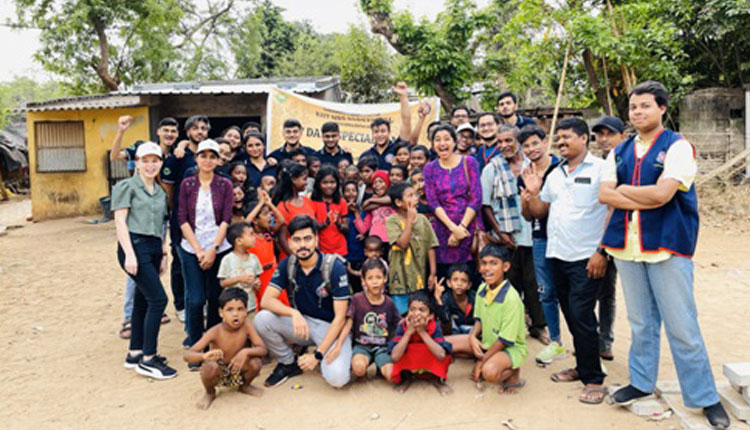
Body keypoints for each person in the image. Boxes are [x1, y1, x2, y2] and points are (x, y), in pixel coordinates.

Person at [599, 81, 729, 428]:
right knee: (641, 322)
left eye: (645, 105)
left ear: (662, 108)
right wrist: (639, 195)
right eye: (633, 107)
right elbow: (604, 195)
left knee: (681, 325)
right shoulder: (620, 150)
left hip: (667, 246)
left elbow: (663, 195)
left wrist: (624, 191)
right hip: (628, 247)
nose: (638, 112)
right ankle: (641, 382)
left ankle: (705, 396)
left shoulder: (678, 147)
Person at [523, 117, 609, 404]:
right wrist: (533, 193)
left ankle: (594, 379)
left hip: (587, 257)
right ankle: (583, 366)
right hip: (557, 255)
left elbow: (612, 212)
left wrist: (602, 252)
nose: (561, 142)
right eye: (558, 138)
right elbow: (540, 212)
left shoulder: (601, 169)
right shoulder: (556, 173)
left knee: (582, 315)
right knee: (572, 315)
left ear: (584, 138)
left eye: (566, 137)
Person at [254, 215, 352, 388]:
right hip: (304, 324)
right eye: (297, 240)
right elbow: (266, 300)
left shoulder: (334, 267)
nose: (302, 245)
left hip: (331, 328)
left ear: (316, 239)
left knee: (338, 379)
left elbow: (340, 319)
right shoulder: (288, 265)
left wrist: (317, 355)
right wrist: (293, 313)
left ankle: (335, 354)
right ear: (290, 242)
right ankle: (288, 362)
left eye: (307, 239)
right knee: (262, 319)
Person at [112, 141, 177, 380]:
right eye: (145, 161)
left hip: (153, 248)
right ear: (136, 163)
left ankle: (135, 352)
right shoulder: (126, 186)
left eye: (155, 161)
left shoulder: (160, 192)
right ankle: (149, 359)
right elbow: (120, 222)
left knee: (142, 300)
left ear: (160, 163)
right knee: (158, 300)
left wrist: (163, 254)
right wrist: (129, 254)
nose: (150, 166)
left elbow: (161, 225)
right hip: (134, 246)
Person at [482, 124, 547, 343]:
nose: (504, 145)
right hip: (506, 238)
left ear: (518, 142)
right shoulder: (491, 168)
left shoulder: (532, 165)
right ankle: (509, 329)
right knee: (509, 284)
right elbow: (486, 205)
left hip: (533, 235)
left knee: (534, 283)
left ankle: (538, 326)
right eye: (500, 142)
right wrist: (500, 232)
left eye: (508, 140)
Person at [178, 139, 234, 356]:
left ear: (218, 160)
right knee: (195, 299)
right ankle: (195, 344)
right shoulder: (187, 185)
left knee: (214, 297)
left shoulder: (225, 185)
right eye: (204, 156)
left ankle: (212, 341)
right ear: (196, 158)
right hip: (191, 247)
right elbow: (182, 218)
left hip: (218, 246)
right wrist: (199, 250)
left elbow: (226, 219)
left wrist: (213, 248)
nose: (208, 161)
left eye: (212, 157)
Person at [517, 125, 566, 365]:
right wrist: (527, 200)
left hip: (566, 236)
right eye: (526, 146)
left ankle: (586, 341)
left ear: (545, 142)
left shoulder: (562, 167)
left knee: (572, 292)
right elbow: (528, 216)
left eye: (535, 143)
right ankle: (555, 341)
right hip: (540, 236)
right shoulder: (525, 174)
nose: (531, 149)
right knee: (545, 291)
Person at [184, 288, 268, 409]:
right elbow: (187, 355)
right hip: (220, 372)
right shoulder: (215, 331)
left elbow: (263, 349)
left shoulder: (247, 325)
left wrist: (246, 352)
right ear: (221, 312)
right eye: (230, 310)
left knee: (256, 363)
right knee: (210, 367)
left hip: (239, 368)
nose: (235, 314)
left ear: (246, 311)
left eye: (240, 309)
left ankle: (244, 386)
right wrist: (204, 356)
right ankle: (210, 392)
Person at [163, 115, 211, 322]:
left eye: (203, 128)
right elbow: (167, 187)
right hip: (181, 217)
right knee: (180, 260)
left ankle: (201, 301)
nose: (200, 132)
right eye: (195, 128)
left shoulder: (208, 154)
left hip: (205, 219)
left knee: (204, 258)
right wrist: (176, 209)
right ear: (188, 131)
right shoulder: (178, 156)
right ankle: (181, 304)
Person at [423, 125, 482, 282]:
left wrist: (461, 228)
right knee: (445, 279)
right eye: (437, 140)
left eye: (446, 139)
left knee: (469, 277)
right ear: (432, 144)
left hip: (467, 228)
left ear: (455, 142)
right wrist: (453, 228)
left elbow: (476, 198)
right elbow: (433, 202)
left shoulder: (469, 162)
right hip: (442, 230)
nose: (442, 143)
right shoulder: (429, 169)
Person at [468, 243, 527, 394]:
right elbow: (479, 319)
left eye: (494, 263)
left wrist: (482, 361)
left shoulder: (511, 299)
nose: (487, 268)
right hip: (488, 341)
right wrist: (472, 337)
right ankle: (488, 358)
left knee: (489, 372)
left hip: (510, 347)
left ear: (505, 267)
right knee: (449, 344)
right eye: (483, 263)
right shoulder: (482, 288)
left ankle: (513, 373)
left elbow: (505, 340)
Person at [331, 258, 400, 382]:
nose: (375, 282)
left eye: (378, 277)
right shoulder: (357, 299)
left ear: (385, 279)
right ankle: (364, 366)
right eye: (370, 278)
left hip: (382, 347)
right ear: (363, 281)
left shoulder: (389, 302)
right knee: (358, 369)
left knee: (391, 375)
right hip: (362, 346)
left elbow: (399, 323)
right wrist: (338, 345)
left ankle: (380, 366)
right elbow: (348, 323)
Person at [591, 115, 625, 361]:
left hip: (619, 236)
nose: (604, 139)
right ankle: (594, 339)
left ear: (622, 136)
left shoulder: (626, 163)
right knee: (594, 290)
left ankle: (605, 340)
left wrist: (604, 247)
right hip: (595, 235)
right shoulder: (595, 165)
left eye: (609, 134)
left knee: (607, 292)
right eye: (600, 135)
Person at [386, 182, 438, 315]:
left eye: (415, 195)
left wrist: (433, 273)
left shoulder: (423, 220)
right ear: (398, 202)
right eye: (410, 196)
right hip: (399, 278)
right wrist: (409, 220)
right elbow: (402, 244)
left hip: (418, 276)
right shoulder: (392, 221)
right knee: (402, 314)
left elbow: (431, 246)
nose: (415, 198)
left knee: (418, 311)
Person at [389, 290, 453, 395]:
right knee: (400, 348)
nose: (416, 314)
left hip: (428, 357)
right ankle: (406, 378)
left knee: (445, 353)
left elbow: (441, 355)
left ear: (430, 315)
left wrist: (422, 332)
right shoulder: (402, 325)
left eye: (422, 310)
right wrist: (408, 333)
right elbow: (395, 357)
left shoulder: (434, 326)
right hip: (411, 359)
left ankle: (437, 379)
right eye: (412, 309)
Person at [245, 191, 289, 309]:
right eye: (265, 214)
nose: (270, 216)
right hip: (259, 275)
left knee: (280, 303)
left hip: (273, 273)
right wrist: (260, 203)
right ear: (255, 220)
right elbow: (246, 222)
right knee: (264, 305)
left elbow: (281, 220)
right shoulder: (249, 236)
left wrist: (269, 204)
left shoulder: (268, 232)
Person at [360, 82, 412, 170]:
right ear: (372, 134)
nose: (379, 134)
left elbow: (406, 121)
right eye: (376, 132)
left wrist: (403, 95)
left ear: (389, 132)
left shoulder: (397, 149)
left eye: (383, 131)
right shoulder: (366, 155)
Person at [273, 162, 316, 259]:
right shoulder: (283, 207)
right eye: (304, 179)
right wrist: (296, 258)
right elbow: (282, 239)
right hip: (292, 257)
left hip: (310, 255)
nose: (306, 183)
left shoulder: (307, 201)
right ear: (293, 180)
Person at [218, 222, 263, 312]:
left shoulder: (254, 258)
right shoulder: (228, 259)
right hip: (233, 308)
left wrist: (257, 283)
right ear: (239, 241)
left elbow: (257, 278)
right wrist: (239, 279)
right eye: (251, 235)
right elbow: (222, 283)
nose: (254, 238)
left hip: (250, 306)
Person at [311, 166, 348, 256]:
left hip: (340, 250)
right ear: (318, 184)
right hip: (320, 250)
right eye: (325, 183)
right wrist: (325, 223)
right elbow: (312, 227)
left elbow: (346, 228)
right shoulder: (312, 202)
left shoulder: (341, 202)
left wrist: (338, 223)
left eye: (332, 182)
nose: (329, 186)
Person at [343, 180, 370, 293]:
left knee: (359, 287)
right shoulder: (340, 211)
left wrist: (356, 213)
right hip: (345, 254)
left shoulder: (364, 211)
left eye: (353, 190)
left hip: (360, 255)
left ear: (358, 193)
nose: (350, 193)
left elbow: (363, 229)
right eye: (347, 191)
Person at [434, 263, 476, 336]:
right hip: (452, 333)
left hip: (472, 331)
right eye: (455, 280)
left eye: (464, 281)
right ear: (449, 283)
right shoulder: (446, 298)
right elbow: (445, 325)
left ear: (469, 285)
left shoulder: (475, 297)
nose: (459, 284)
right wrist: (438, 299)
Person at [364, 170, 395, 245]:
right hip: (375, 240)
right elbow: (365, 207)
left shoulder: (394, 196)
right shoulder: (375, 199)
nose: (377, 185)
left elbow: (391, 199)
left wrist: (371, 200)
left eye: (381, 181)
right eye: (374, 183)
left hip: (392, 238)